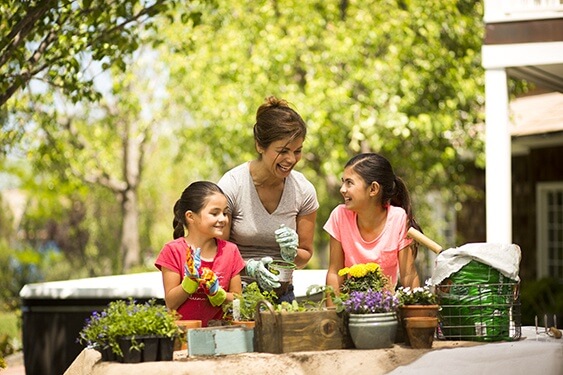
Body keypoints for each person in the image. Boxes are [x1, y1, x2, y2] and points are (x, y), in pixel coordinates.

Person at [218, 96, 319, 301]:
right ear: (260, 146)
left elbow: (305, 256)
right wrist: (250, 268)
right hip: (237, 294)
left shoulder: (303, 191)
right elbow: (216, 252)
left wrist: (291, 254)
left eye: (297, 151)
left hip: (283, 294)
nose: (291, 160)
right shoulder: (232, 186)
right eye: (282, 151)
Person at [324, 153, 421, 305]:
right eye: (343, 182)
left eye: (349, 183)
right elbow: (335, 273)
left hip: (385, 308)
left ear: (373, 189)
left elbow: (408, 274)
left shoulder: (398, 218)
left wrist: (417, 315)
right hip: (351, 308)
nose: (342, 189)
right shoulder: (339, 216)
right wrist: (332, 317)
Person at [155, 181, 246, 326]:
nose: (223, 219)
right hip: (184, 338)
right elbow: (171, 303)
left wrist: (219, 294)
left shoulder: (231, 251)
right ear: (191, 216)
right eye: (214, 213)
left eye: (225, 212)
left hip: (221, 336)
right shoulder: (173, 251)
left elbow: (238, 302)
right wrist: (189, 282)